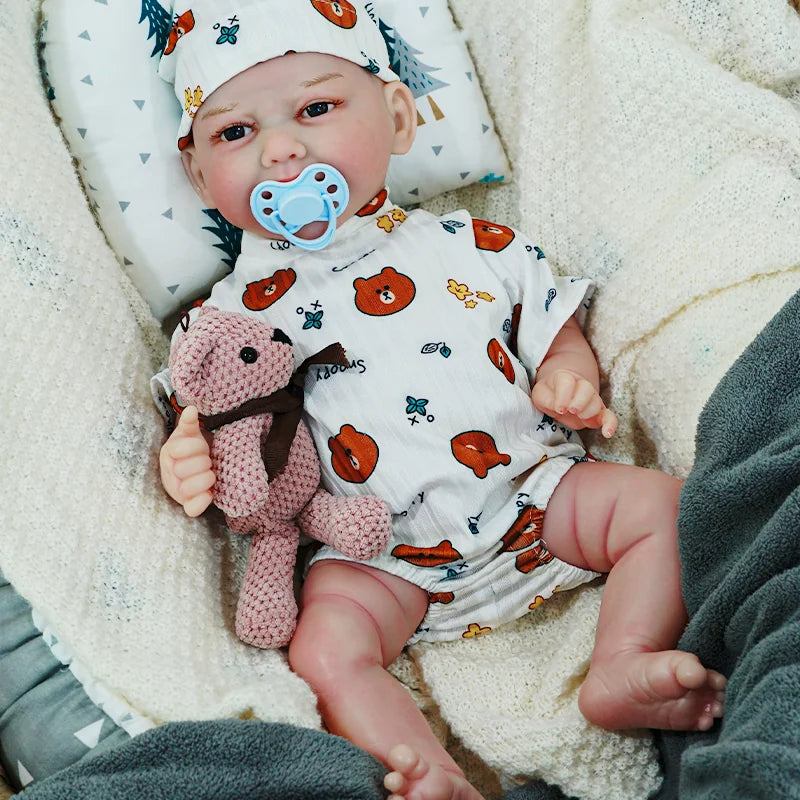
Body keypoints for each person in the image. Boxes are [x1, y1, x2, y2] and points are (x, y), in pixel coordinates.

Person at [154, 3, 726, 799]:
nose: (283, 150)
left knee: (663, 507)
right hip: (378, 558)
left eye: (316, 110)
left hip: (535, 499)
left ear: (395, 114)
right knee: (324, 650)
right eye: (235, 134)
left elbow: (551, 322)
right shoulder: (228, 317)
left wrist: (570, 374)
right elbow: (212, 409)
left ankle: (621, 660)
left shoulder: (471, 244)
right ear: (197, 175)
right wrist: (187, 455)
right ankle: (430, 771)